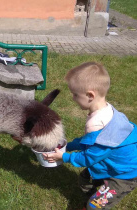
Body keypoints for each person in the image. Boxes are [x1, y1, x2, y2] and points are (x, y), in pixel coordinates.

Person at [43, 62, 137, 209]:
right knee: (84, 180)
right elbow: (90, 142)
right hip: (110, 163)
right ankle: (96, 193)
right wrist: (68, 146)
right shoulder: (105, 111)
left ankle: (94, 204)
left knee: (94, 206)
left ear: (90, 95)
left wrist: (64, 157)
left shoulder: (96, 123)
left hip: (123, 175)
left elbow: (87, 158)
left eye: (75, 94)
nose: (73, 98)